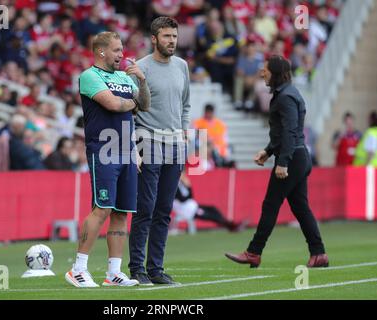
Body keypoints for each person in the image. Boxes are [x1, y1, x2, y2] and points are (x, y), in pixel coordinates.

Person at [225, 55, 329, 268]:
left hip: (293, 158)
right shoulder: (287, 93)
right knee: (301, 208)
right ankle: (319, 254)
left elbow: (290, 132)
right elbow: (285, 133)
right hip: (297, 156)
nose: (262, 72)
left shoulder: (285, 97)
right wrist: (268, 151)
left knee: (271, 204)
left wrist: (282, 162)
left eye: (265, 69)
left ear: (276, 73)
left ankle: (254, 252)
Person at [65, 31, 150, 288]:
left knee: (122, 213)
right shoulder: (89, 76)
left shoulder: (125, 77)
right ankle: (77, 268)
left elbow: (144, 105)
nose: (121, 55)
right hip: (103, 150)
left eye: (121, 49)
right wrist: (130, 102)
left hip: (127, 150)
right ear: (101, 51)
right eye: (116, 50)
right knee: (101, 209)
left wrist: (142, 83)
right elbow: (112, 104)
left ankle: (114, 272)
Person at [128, 17, 190, 286]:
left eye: (174, 36)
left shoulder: (182, 66)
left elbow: (185, 104)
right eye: (166, 36)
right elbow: (130, 111)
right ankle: (136, 269)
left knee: (164, 210)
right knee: (145, 209)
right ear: (154, 38)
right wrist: (134, 147)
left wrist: (185, 133)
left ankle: (155, 269)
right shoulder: (139, 68)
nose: (171, 41)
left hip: (176, 145)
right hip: (148, 142)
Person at [171, 171, 245, 234]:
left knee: (213, 209)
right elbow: (182, 199)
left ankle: (230, 225)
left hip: (192, 207)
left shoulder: (180, 185)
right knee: (211, 216)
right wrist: (188, 186)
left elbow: (190, 196)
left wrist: (189, 186)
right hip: (188, 210)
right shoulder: (173, 186)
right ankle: (231, 226)